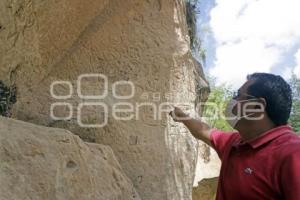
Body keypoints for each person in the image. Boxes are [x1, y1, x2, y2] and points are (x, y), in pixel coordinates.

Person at [170, 73, 300, 200]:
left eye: (238, 95)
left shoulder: (292, 155)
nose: (232, 101)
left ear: (257, 106)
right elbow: (202, 131)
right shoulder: (235, 142)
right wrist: (181, 116)